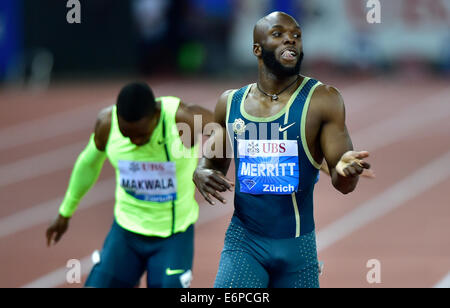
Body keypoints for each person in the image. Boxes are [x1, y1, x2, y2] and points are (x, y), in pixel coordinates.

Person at [193, 11, 372, 288]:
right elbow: (212, 163)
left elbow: (344, 184)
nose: (291, 39)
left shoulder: (322, 100)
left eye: (297, 36)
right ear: (257, 49)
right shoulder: (230, 103)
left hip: (297, 249)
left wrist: (347, 170)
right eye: (278, 34)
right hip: (244, 243)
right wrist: (201, 172)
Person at [46, 82, 213, 288]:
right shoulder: (107, 124)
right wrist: (65, 212)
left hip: (173, 236)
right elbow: (88, 164)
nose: (134, 141)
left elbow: (226, 130)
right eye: (127, 135)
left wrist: (206, 165)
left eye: (142, 136)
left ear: (156, 114)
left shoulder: (181, 119)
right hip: (126, 233)